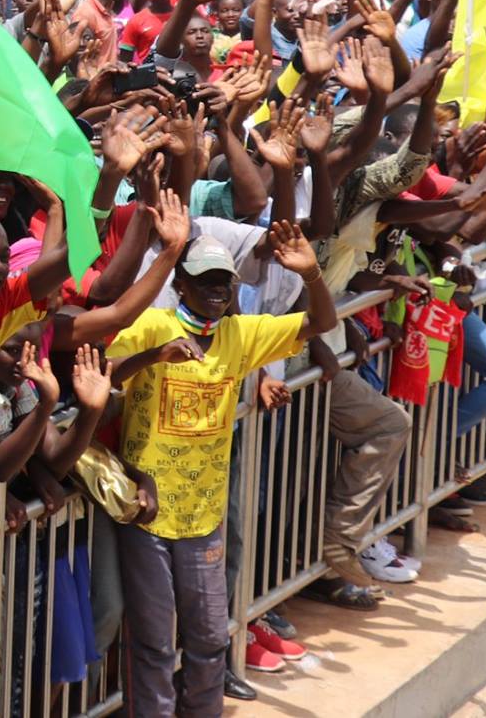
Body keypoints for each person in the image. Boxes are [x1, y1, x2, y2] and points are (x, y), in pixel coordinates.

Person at [108, 224, 335, 718]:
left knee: (210, 634)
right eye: (205, 281)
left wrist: (312, 274)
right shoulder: (153, 325)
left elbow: (320, 322)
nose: (216, 290)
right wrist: (154, 356)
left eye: (225, 282)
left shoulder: (240, 333)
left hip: (204, 515)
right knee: (152, 637)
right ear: (182, 286)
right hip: (147, 515)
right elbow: (103, 373)